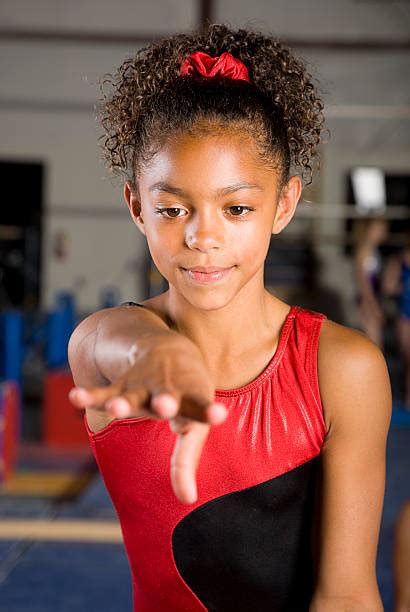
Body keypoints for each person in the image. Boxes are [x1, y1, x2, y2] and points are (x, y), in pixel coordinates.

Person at [67, 24, 392, 611]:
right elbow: (115, 343)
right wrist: (162, 357)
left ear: (284, 205)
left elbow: (346, 594)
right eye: (172, 208)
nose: (201, 235)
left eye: (236, 207)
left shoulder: (343, 369)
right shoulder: (107, 349)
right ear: (137, 207)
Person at [382, 232, 410, 410]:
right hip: (405, 313)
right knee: (407, 355)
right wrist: (400, 287)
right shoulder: (399, 261)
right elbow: (388, 287)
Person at [353, 216, 389, 349]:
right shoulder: (364, 249)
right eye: (380, 227)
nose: (384, 231)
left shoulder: (372, 249)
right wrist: (372, 304)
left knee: (375, 344)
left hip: (373, 297)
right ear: (371, 229)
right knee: (374, 346)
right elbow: (363, 281)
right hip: (367, 300)